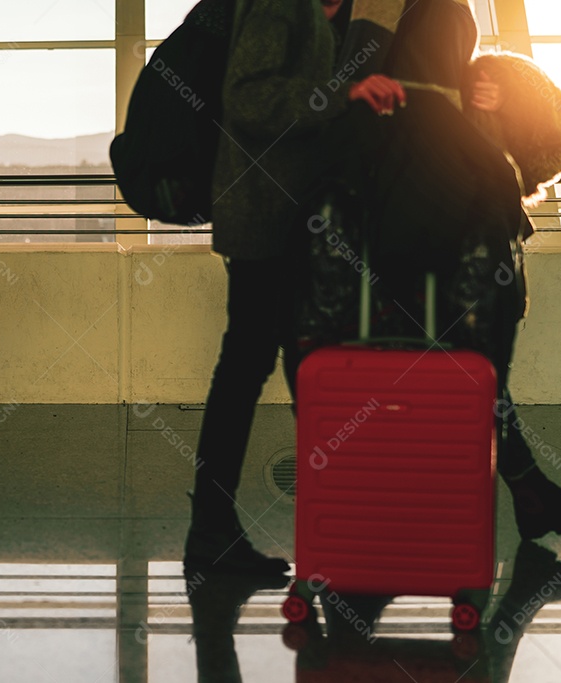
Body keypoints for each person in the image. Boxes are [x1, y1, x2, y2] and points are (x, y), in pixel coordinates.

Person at [299, 0, 561, 539]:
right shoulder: (436, 10)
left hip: (396, 205)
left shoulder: (406, 14)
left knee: (447, 366)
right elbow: (420, 103)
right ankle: (477, 505)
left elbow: (414, 94)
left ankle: (508, 497)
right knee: (451, 365)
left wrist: (471, 94)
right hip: (420, 211)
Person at [183, 0, 407, 574]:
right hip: (266, 218)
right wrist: (344, 94)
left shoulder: (324, 11)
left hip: (296, 218)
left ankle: (231, 532)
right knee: (254, 364)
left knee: (286, 363)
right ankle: (219, 534)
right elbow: (248, 96)